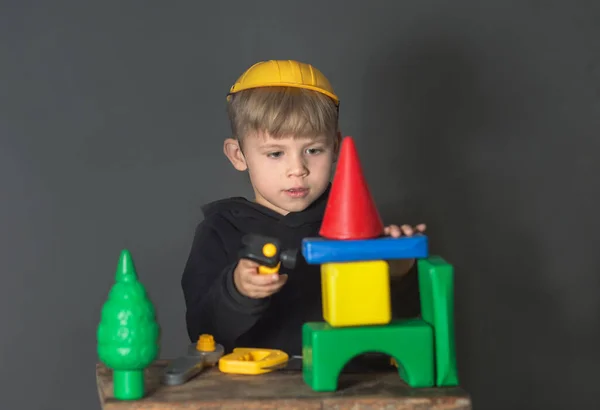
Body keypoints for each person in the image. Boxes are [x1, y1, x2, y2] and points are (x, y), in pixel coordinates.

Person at [181, 60, 426, 359]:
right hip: (256, 393)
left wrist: (397, 273)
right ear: (238, 154)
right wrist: (238, 291)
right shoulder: (220, 230)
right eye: (275, 153)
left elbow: (399, 326)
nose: (297, 169)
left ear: (335, 147)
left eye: (313, 150)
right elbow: (201, 331)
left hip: (351, 389)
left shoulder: (356, 226)